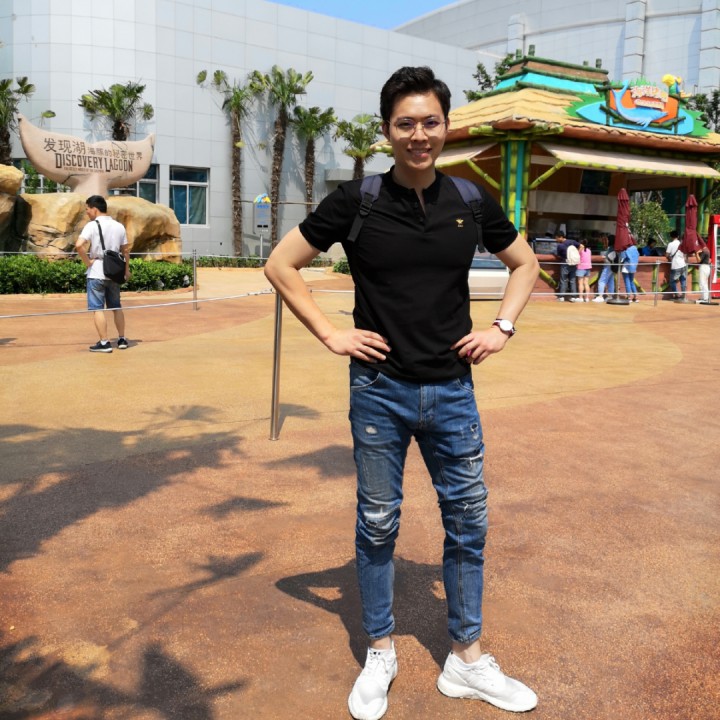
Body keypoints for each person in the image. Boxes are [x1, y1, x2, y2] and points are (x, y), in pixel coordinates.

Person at [264, 66, 539, 720]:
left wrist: (501, 327)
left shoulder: (469, 200)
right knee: (378, 521)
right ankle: (380, 650)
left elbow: (525, 263)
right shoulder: (357, 201)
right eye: (406, 124)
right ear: (387, 130)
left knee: (468, 522)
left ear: (446, 126)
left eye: (430, 122)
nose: (420, 135)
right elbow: (280, 264)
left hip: (452, 390)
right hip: (379, 391)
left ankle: (466, 660)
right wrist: (331, 333)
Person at [75, 195, 131, 352]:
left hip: (97, 271)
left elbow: (79, 245)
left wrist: (88, 262)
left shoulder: (92, 225)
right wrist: (126, 270)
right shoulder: (119, 226)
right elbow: (126, 251)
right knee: (116, 307)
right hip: (114, 272)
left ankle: (104, 343)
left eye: (87, 209)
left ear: (94, 209)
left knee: (97, 308)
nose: (87, 212)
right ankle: (122, 339)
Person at [555, 230, 579, 301]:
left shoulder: (560, 246)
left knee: (563, 280)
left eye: (556, 238)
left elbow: (558, 255)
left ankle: (561, 297)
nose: (556, 240)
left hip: (565, 263)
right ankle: (574, 297)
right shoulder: (572, 242)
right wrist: (576, 255)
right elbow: (581, 246)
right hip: (573, 263)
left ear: (561, 237)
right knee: (572, 280)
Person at [592, 234, 615, 302]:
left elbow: (608, 257)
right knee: (611, 281)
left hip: (608, 266)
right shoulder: (614, 248)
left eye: (607, 239)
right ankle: (611, 296)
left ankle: (600, 296)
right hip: (613, 266)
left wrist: (605, 257)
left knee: (602, 280)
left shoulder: (610, 249)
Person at [665, 230, 687, 300]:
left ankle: (677, 295)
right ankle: (683, 296)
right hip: (683, 264)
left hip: (675, 265)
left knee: (672, 281)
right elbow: (685, 255)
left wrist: (670, 259)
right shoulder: (682, 244)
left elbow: (667, 255)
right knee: (683, 280)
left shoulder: (670, 244)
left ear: (671, 236)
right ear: (678, 236)